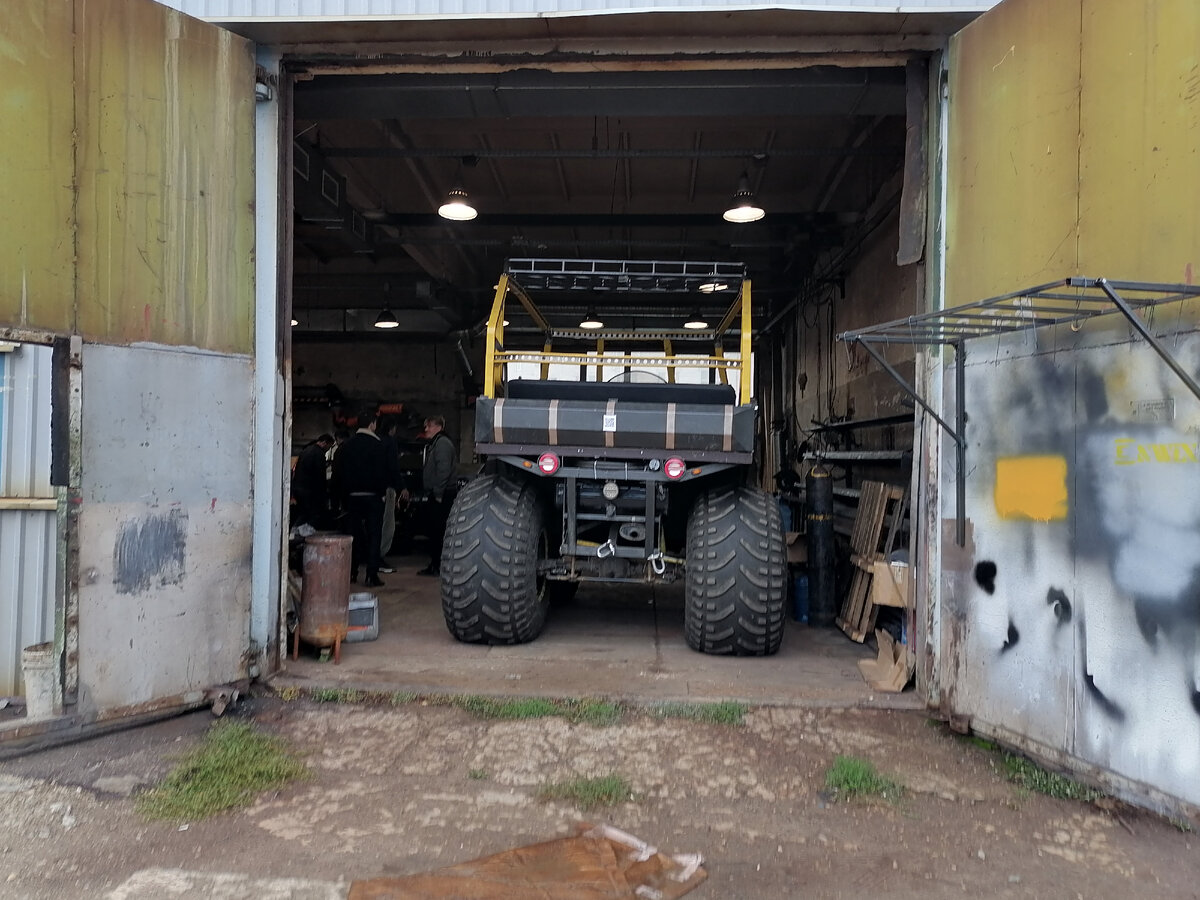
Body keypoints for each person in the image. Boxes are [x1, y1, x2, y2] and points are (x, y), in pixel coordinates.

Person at [331, 409, 396, 587]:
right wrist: (383, 493)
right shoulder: (378, 446)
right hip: (373, 498)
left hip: (352, 498)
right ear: (372, 424)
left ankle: (351, 573)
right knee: (375, 535)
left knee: (352, 536)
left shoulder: (347, 446)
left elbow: (338, 474)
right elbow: (384, 472)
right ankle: (371, 574)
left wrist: (339, 500)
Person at [415, 415, 457, 576]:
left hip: (442, 495)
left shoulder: (442, 444)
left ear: (439, 427)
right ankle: (435, 564)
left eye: (429, 426)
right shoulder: (437, 443)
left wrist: (438, 493)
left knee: (438, 531)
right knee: (435, 531)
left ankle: (438, 565)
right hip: (440, 493)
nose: (426, 429)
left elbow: (443, 470)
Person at [291, 433, 333, 529]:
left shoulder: (305, 451)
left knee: (303, 513)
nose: (327, 449)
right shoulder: (319, 454)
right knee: (313, 514)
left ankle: (295, 531)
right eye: (328, 447)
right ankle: (300, 531)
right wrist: (323, 492)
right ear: (324, 443)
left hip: (299, 488)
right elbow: (319, 476)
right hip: (309, 490)